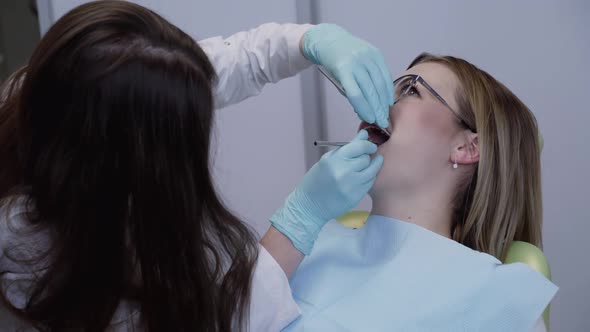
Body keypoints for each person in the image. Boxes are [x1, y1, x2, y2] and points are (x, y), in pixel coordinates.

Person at [0, 1, 389, 331]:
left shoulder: (76, 91)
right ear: (140, 163)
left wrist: (310, 41)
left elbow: (233, 63)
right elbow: (214, 320)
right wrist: (302, 217)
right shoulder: (28, 242)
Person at [282, 53, 558, 332]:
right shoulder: (306, 244)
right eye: (389, 88)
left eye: (412, 89)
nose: (377, 102)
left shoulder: (498, 301)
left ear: (467, 148)